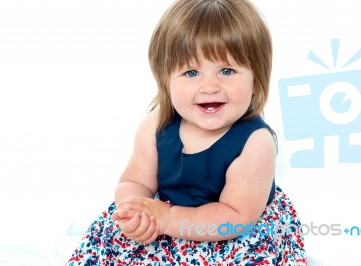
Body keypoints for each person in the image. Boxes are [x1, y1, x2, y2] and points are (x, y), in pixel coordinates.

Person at [66, 0, 307, 265]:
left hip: (228, 229)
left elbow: (236, 217)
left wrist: (170, 219)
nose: (210, 86)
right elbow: (135, 181)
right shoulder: (156, 124)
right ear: (165, 80)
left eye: (227, 70)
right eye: (191, 72)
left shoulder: (255, 143)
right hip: (164, 216)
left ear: (256, 79)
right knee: (108, 243)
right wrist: (136, 211)